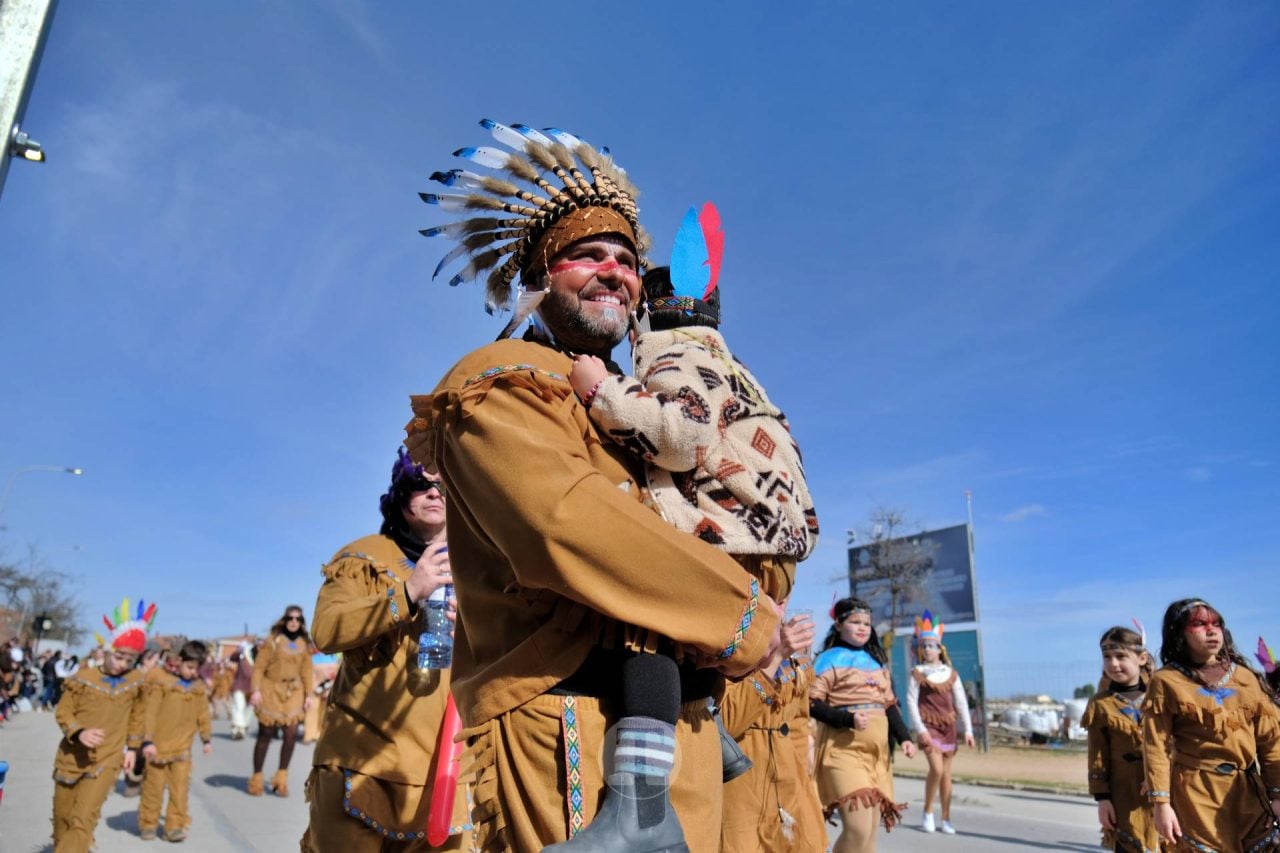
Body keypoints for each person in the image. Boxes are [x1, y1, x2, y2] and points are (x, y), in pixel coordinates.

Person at [405, 120, 782, 852]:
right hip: (574, 724)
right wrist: (745, 618)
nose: (614, 270)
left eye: (627, 259)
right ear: (540, 273)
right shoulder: (500, 381)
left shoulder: (644, 403)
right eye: (587, 254)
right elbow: (566, 522)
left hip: (686, 727)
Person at [567, 213, 823, 849]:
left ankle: (638, 807)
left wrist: (603, 392)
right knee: (695, 649)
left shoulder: (673, 354)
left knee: (648, 638)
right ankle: (715, 727)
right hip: (764, 536)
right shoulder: (733, 364)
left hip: (722, 534)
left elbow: (681, 436)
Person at [301, 448, 470, 851]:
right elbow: (326, 630)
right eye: (420, 485)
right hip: (363, 762)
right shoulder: (365, 557)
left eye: (444, 488)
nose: (434, 494)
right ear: (399, 497)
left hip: (443, 767)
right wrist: (409, 592)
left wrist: (472, 625)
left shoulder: (476, 568)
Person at [1143, 598, 1280, 850]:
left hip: (1248, 792)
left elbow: (1270, 743)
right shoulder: (1166, 681)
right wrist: (1161, 804)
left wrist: (1277, 795)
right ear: (1178, 633)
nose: (1211, 630)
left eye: (1216, 623)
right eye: (1199, 623)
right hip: (1196, 793)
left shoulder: (1246, 678)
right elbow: (1155, 747)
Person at [810, 598, 917, 853]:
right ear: (838, 625)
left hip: (876, 757)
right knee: (857, 829)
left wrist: (905, 738)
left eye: (867, 623)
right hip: (843, 752)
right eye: (855, 622)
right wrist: (848, 719)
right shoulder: (828, 659)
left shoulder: (876, 662)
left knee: (869, 834)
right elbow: (811, 702)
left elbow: (889, 705)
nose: (862, 627)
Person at [52, 598, 154, 852]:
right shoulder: (83, 678)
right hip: (72, 756)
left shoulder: (136, 681)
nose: (123, 665)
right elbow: (63, 711)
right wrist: (79, 731)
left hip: (108, 758)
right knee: (63, 817)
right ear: (107, 651)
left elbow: (137, 717)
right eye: (119, 657)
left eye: (130, 660)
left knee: (83, 818)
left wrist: (132, 749)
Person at [1081, 624, 1160, 852]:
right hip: (1122, 793)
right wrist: (1102, 798)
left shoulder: (1160, 698)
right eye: (1107, 657)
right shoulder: (1100, 704)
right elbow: (1097, 754)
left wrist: (1161, 775)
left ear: (1142, 657)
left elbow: (1174, 744)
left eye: (1121, 656)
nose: (1113, 663)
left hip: (1164, 793)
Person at [903, 610, 974, 835]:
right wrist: (920, 729)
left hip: (949, 727)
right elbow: (911, 702)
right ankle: (927, 811)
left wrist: (969, 730)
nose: (927, 650)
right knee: (936, 768)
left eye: (931, 646)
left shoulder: (950, 673)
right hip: (929, 727)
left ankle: (946, 817)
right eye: (923, 646)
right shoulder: (917, 673)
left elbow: (961, 702)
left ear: (939, 648)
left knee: (946, 774)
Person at [138, 640, 213, 842]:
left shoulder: (197, 688)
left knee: (180, 791)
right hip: (158, 748)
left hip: (182, 749)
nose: (193, 673)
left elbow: (203, 714)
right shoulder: (163, 683)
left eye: (196, 669)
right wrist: (147, 740)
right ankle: (148, 823)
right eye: (189, 667)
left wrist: (206, 739)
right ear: (179, 662)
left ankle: (174, 826)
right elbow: (150, 713)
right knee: (153, 789)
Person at [248, 606, 313, 797]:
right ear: (284, 620)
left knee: (291, 735)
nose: (294, 622)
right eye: (290, 618)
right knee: (265, 734)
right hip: (270, 689)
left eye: (298, 619)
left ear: (301, 623)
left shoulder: (304, 644)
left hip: (294, 692)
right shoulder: (273, 641)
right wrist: (255, 691)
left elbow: (307, 671)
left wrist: (309, 694)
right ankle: (256, 778)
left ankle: (281, 779)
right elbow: (259, 667)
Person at [229, 642, 254, 739]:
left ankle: (244, 726)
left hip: (252, 687)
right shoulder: (242, 656)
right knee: (238, 706)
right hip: (239, 684)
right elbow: (232, 658)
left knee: (250, 707)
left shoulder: (260, 657)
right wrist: (240, 651)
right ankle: (237, 729)